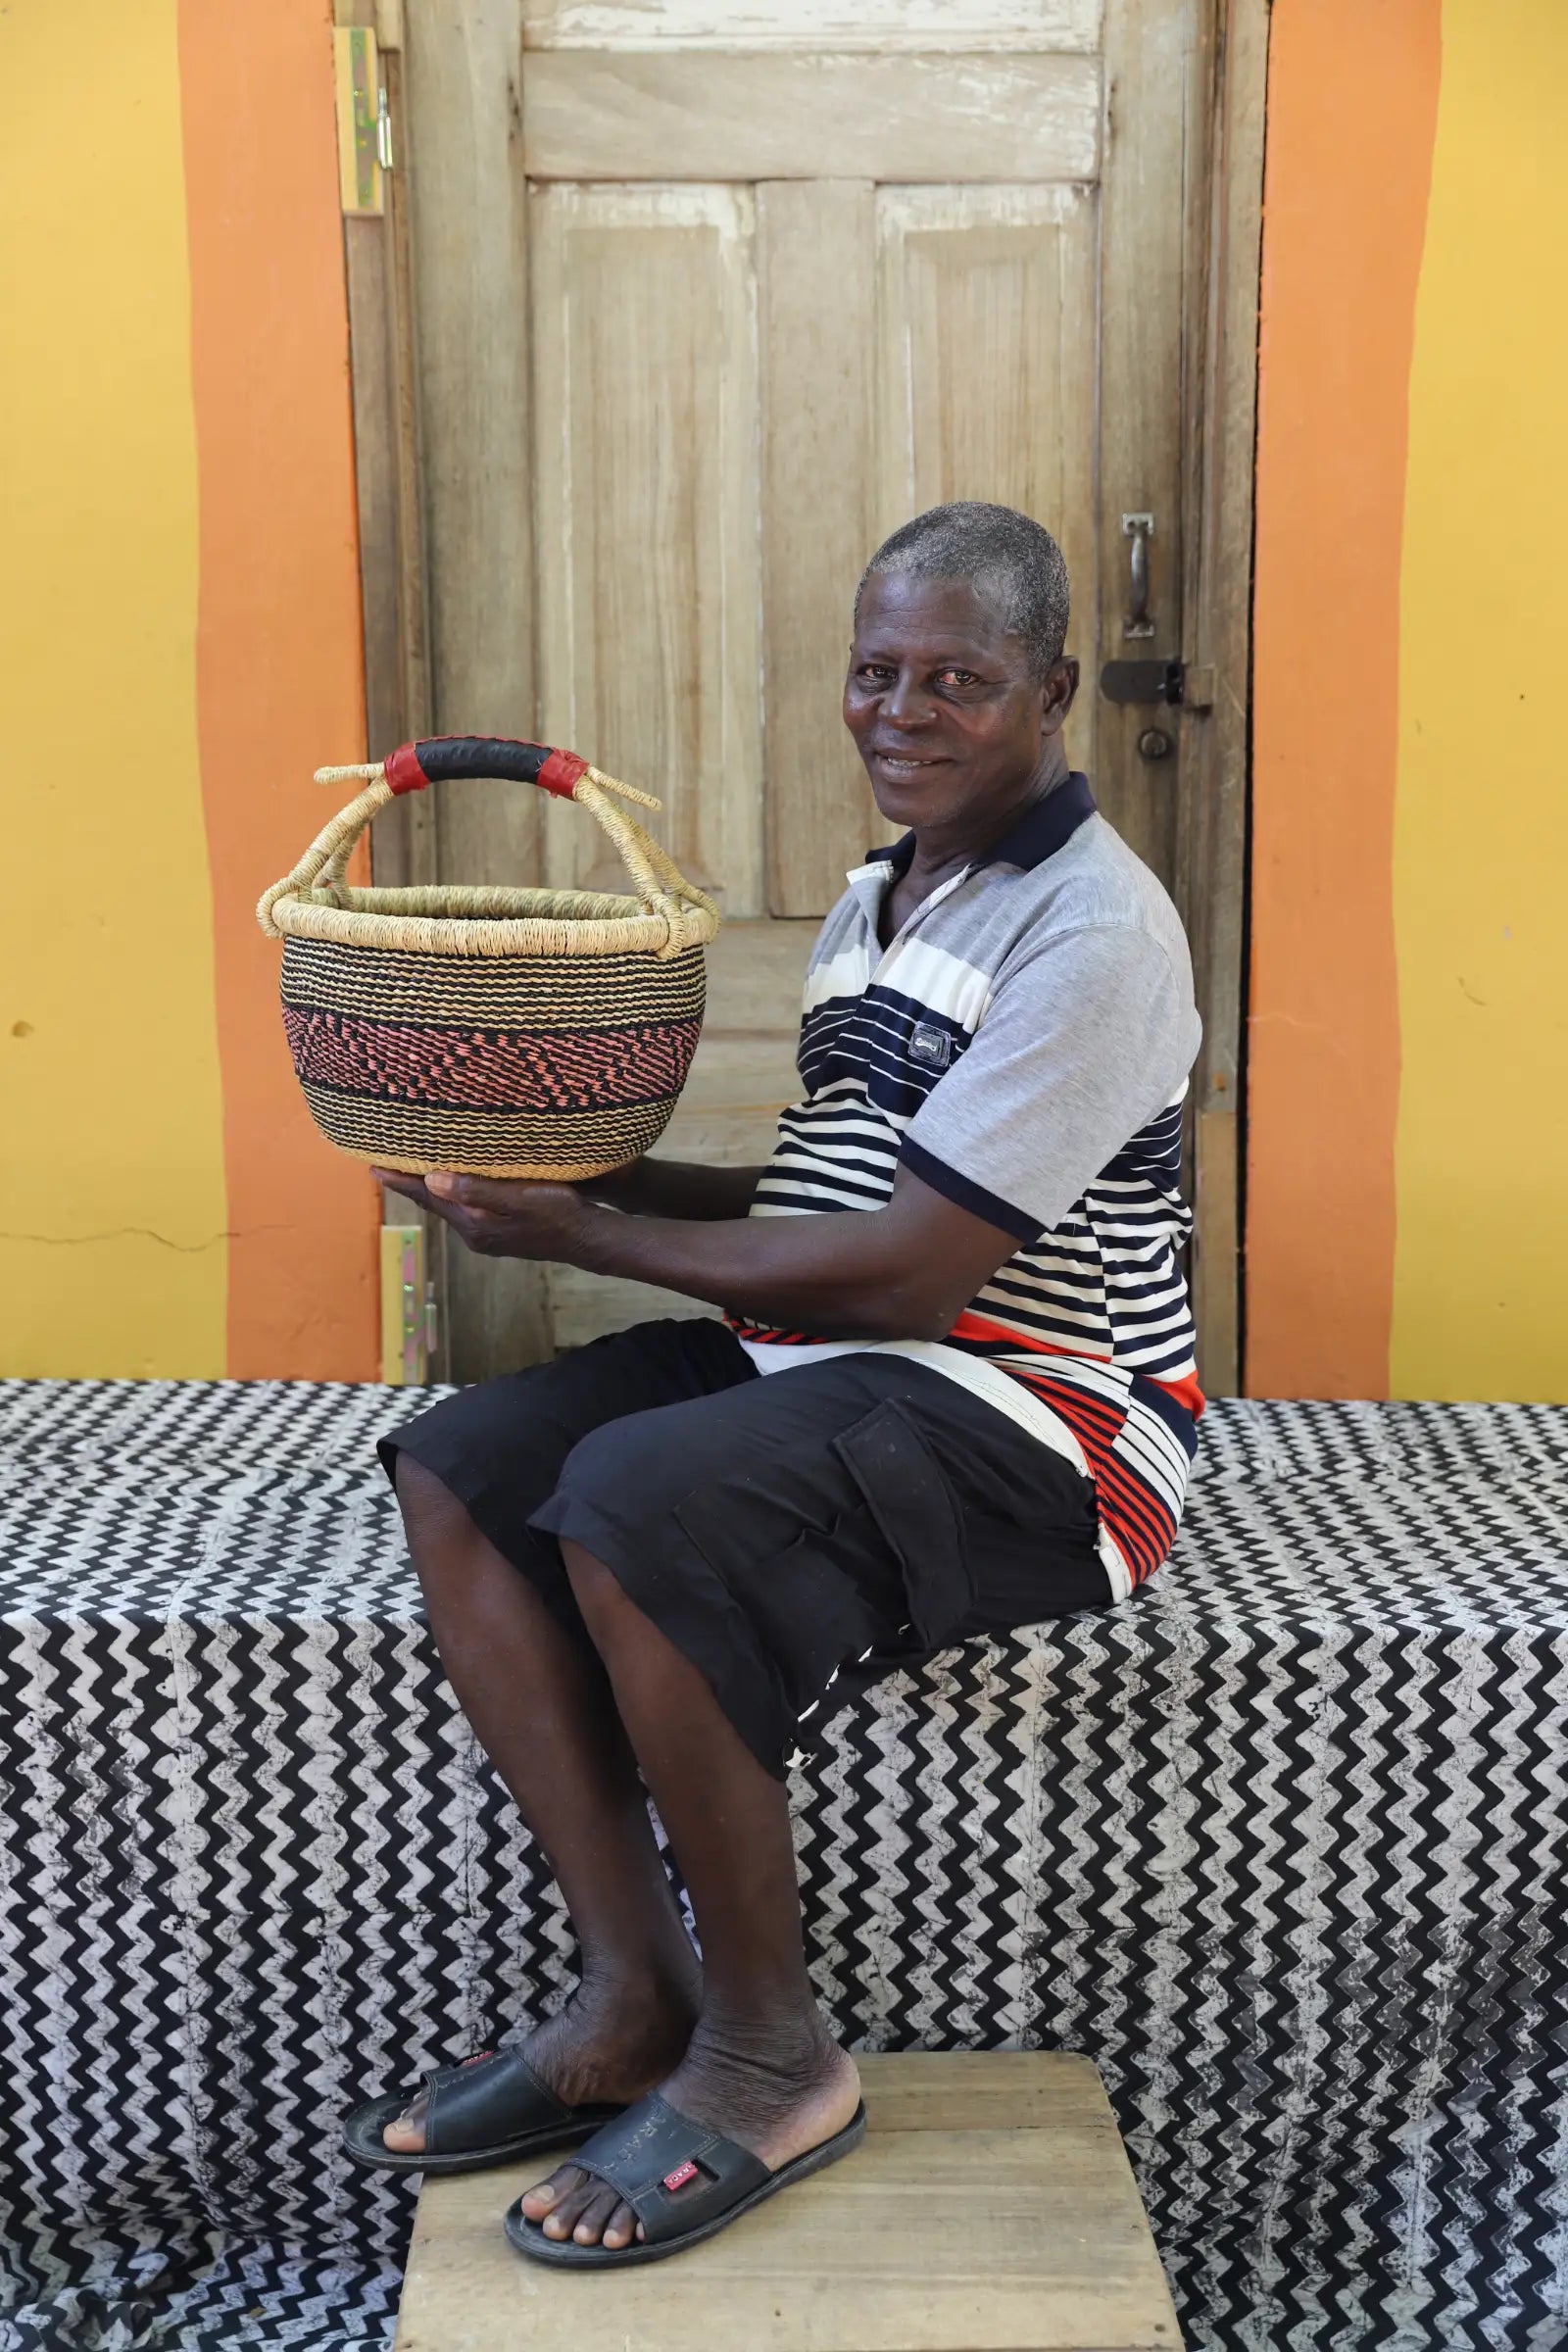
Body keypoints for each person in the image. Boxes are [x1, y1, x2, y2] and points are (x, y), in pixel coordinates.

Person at [343, 501, 1203, 2268]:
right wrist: (590, 1189)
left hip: (1053, 1418)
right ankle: (635, 2000)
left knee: (641, 1497)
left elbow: (912, 1264)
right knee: (463, 1465)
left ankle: (768, 2053)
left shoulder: (1093, 930)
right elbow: (835, 1203)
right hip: (845, 1355)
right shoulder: (889, 899)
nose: (904, 711)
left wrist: (583, 1254)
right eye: (876, 672)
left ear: (1053, 693)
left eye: (958, 680)